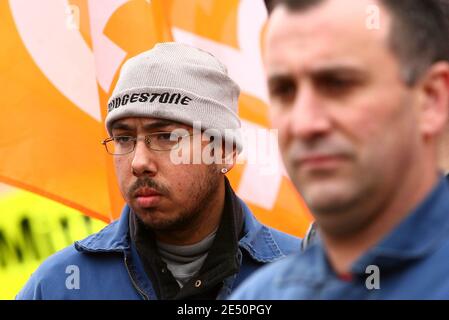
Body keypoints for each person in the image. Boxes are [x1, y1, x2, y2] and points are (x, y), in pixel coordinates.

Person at [16, 42, 300, 300]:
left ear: (223, 149)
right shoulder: (58, 287)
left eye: (166, 137)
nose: (138, 162)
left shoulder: (308, 278)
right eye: (125, 139)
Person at [231, 0, 449, 299]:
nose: (304, 123)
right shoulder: (258, 295)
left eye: (339, 84)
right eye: (284, 90)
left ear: (431, 98)